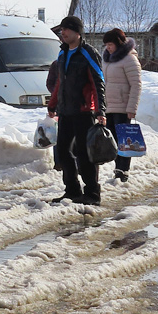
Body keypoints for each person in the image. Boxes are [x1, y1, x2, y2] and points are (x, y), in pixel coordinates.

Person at [47, 15, 106, 204]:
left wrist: (100, 111)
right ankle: (72, 190)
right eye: (62, 29)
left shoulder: (88, 53)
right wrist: (53, 104)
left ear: (78, 33)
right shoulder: (62, 53)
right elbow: (59, 83)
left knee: (84, 155)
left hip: (83, 112)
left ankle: (92, 194)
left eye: (67, 29)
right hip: (65, 112)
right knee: (63, 152)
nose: (62, 33)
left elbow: (99, 83)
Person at [102, 26, 142, 182]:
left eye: (110, 44)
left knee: (124, 140)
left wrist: (132, 108)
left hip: (123, 107)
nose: (108, 47)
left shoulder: (129, 59)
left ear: (118, 43)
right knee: (112, 140)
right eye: (106, 45)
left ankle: (122, 171)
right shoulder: (106, 59)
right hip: (109, 106)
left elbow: (136, 85)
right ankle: (117, 168)